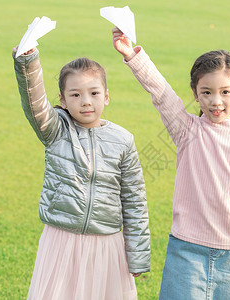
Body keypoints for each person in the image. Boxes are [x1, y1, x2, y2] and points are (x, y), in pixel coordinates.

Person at [112, 28, 230, 300]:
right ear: (196, 94)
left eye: (225, 92)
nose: (216, 101)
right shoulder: (187, 130)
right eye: (206, 92)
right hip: (186, 252)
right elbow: (161, 93)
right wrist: (132, 55)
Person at [12, 45, 150, 300]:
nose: (86, 101)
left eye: (94, 93)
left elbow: (134, 199)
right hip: (62, 241)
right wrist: (27, 61)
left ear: (106, 96)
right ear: (63, 100)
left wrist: (137, 254)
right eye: (75, 95)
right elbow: (35, 104)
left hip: (106, 244)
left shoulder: (123, 140)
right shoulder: (56, 131)